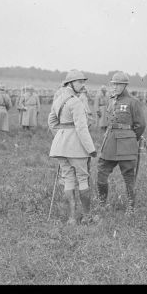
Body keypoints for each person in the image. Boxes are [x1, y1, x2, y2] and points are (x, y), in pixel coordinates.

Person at [48, 70, 97, 225]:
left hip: (60, 147)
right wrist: (91, 149)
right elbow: (81, 128)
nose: (82, 85)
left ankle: (71, 218)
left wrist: (61, 136)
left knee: (68, 179)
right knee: (83, 179)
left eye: (83, 82)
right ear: (70, 83)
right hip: (76, 146)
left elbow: (51, 123)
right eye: (79, 82)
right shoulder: (76, 102)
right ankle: (87, 217)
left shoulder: (58, 99)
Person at [96, 71, 146, 215]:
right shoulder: (111, 100)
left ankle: (130, 208)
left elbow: (141, 125)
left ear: (125, 85)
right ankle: (102, 203)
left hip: (127, 145)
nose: (115, 87)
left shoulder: (133, 102)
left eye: (118, 84)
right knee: (101, 173)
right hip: (110, 143)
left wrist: (130, 138)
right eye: (113, 84)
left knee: (129, 177)